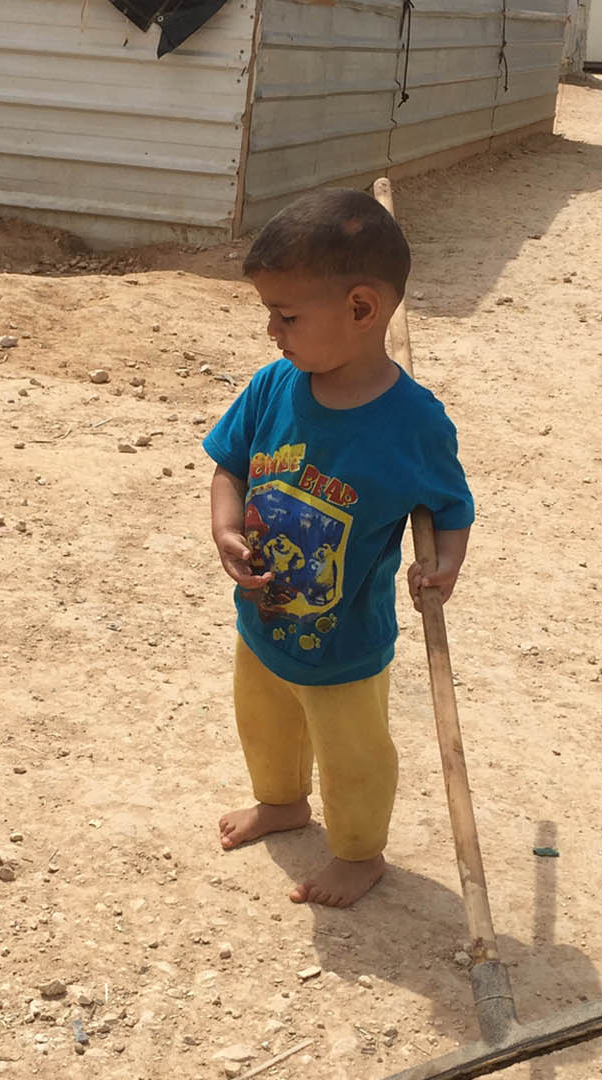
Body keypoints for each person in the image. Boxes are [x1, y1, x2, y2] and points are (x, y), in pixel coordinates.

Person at [204, 188, 475, 908]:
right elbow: (228, 465)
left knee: (353, 757)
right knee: (263, 724)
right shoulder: (272, 388)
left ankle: (358, 853)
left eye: (287, 315)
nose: (271, 330)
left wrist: (445, 562)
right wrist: (225, 527)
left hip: (345, 641)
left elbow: (450, 507)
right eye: (269, 312)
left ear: (361, 310)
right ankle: (283, 802)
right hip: (261, 620)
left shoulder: (413, 424)